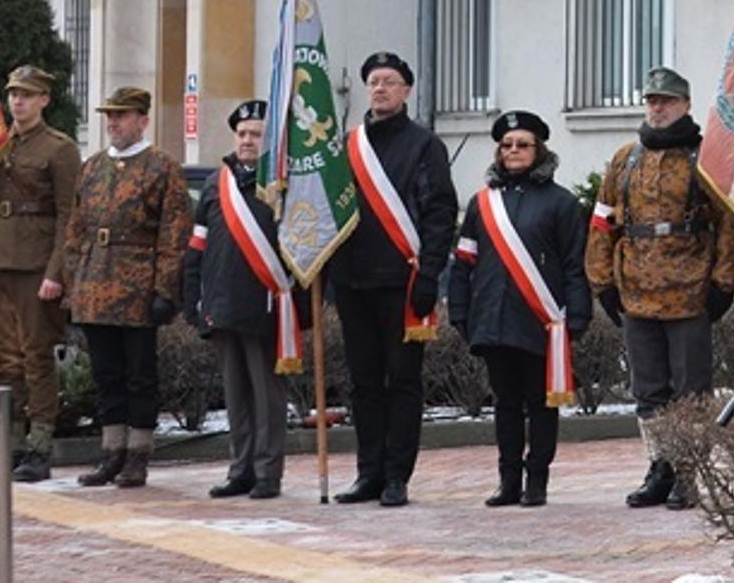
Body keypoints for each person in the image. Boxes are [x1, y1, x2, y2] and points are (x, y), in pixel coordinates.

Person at [587, 66, 734, 510]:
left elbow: (731, 225)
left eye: (667, 100)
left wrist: (725, 284)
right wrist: (602, 282)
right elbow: (602, 222)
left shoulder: (706, 158)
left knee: (690, 392)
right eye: (652, 100)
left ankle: (688, 473)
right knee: (648, 391)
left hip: (689, 292)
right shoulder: (625, 159)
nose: (657, 107)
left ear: (686, 105)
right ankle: (660, 466)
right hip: (635, 292)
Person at [328, 51, 458, 508]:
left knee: (402, 381)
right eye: (373, 82)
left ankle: (397, 475)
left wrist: (430, 275)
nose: (379, 89)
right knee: (363, 382)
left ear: (406, 90)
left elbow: (440, 215)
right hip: (352, 280)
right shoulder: (347, 145)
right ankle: (368, 472)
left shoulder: (424, 146)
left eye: (389, 81)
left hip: (402, 283)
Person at [450, 110, 592, 507]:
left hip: (541, 322)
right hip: (493, 320)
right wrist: (460, 311)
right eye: (507, 145)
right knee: (505, 404)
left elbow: (574, 265)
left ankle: (537, 482)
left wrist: (578, 315)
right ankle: (507, 480)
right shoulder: (482, 204)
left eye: (523, 144)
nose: (514, 151)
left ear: (539, 149)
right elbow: (464, 262)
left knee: (541, 404)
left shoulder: (561, 203)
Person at [63, 87, 192, 488]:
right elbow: (75, 230)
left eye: (122, 115)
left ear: (142, 120)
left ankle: (138, 453)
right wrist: (73, 285)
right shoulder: (93, 166)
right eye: (109, 116)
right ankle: (111, 451)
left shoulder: (162, 167)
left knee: (139, 374)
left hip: (138, 288)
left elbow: (174, 234)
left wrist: (165, 291)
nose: (113, 123)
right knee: (106, 374)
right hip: (96, 285)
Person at [0, 65, 80, 482]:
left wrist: (56, 272)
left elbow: (70, 215)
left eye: (27, 95)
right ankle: (9, 447)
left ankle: (40, 446)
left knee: (36, 356)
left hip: (34, 264)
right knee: (4, 359)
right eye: (13, 94)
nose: (18, 102)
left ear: (44, 100)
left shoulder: (59, 148)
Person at [183, 100, 303, 499]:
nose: (248, 141)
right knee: (235, 393)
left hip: (266, 304)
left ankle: (268, 472)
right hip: (222, 301)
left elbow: (304, 249)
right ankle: (241, 469)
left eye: (256, 134)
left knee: (267, 395)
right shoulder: (217, 185)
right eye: (243, 134)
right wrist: (191, 296)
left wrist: (299, 307)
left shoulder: (286, 184)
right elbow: (198, 245)